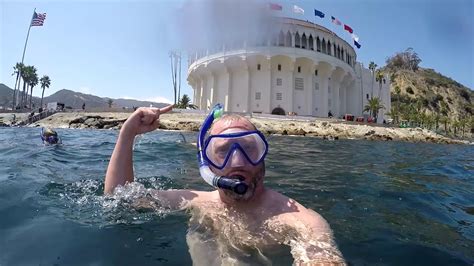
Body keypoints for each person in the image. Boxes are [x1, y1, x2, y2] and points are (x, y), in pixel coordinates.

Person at [105, 105, 345, 265]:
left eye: (249, 148)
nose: (238, 162)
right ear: (207, 162)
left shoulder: (300, 221)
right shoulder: (195, 202)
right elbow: (120, 198)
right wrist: (127, 134)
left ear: (263, 154)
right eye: (223, 151)